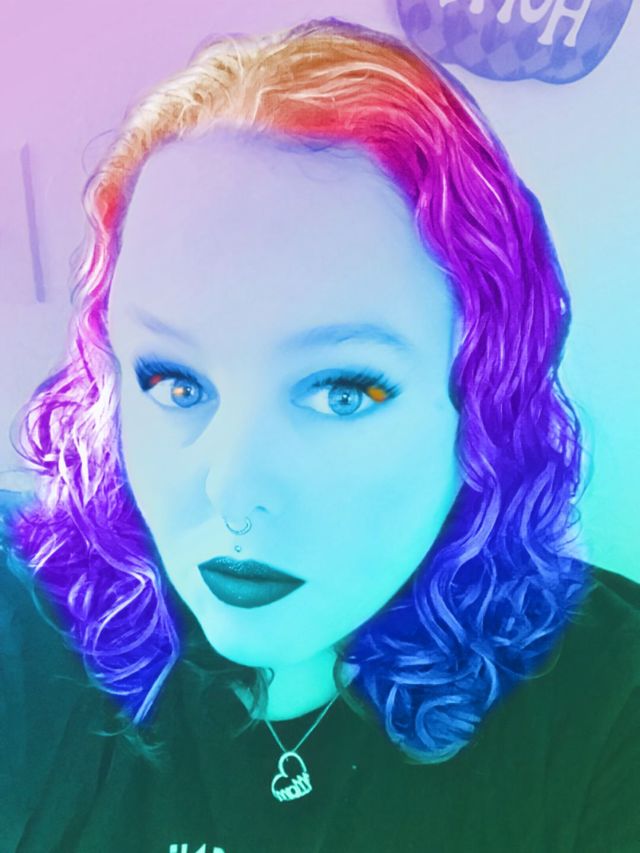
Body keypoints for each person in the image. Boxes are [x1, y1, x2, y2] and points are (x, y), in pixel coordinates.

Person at [0, 16, 638, 853]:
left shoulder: (607, 701)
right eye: (175, 382)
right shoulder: (32, 632)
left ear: (483, 400)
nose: (233, 491)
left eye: (342, 392)